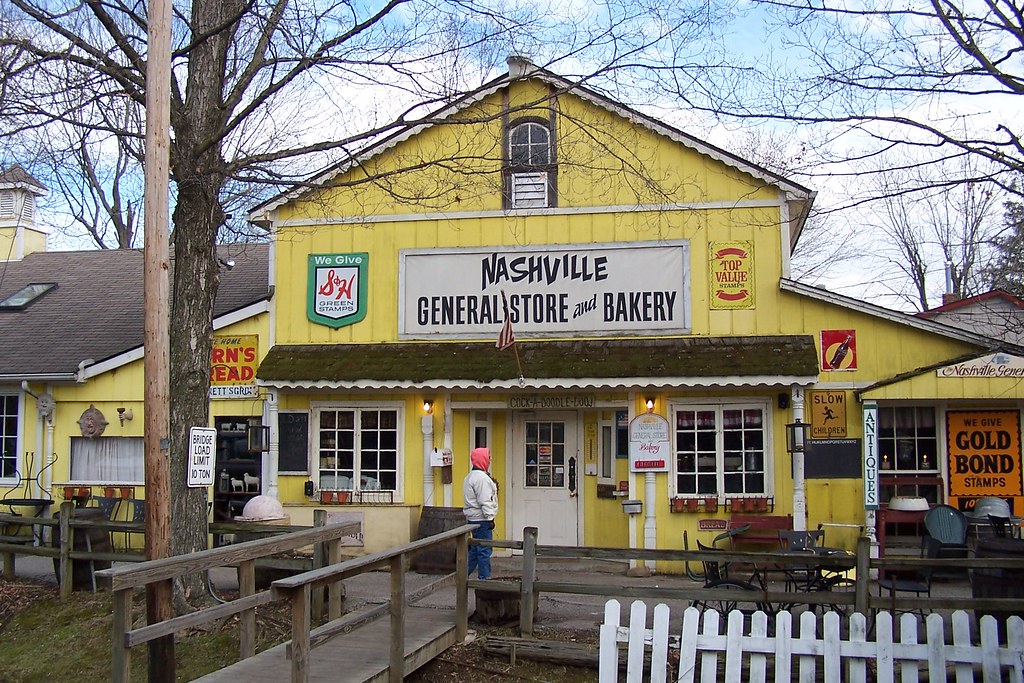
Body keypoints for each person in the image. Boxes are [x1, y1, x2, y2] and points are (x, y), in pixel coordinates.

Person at [463, 446, 498, 580]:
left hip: (472, 518)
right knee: (484, 549)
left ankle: (461, 574)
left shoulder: (470, 477)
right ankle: (484, 578)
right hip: (481, 519)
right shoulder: (481, 479)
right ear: (482, 459)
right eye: (487, 457)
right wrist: (490, 518)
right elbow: (485, 500)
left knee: (475, 550)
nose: (489, 460)